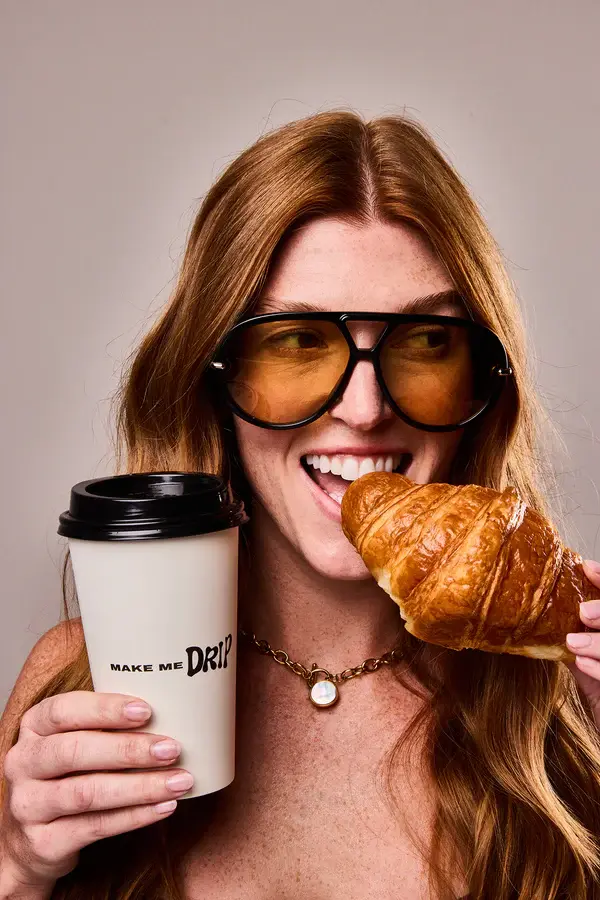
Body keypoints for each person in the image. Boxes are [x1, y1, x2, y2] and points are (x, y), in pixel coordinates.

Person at [1, 110, 600, 900]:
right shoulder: (87, 677)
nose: (362, 408)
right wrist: (16, 869)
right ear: (213, 378)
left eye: (424, 342)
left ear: (482, 389)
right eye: (297, 342)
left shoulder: (565, 703)